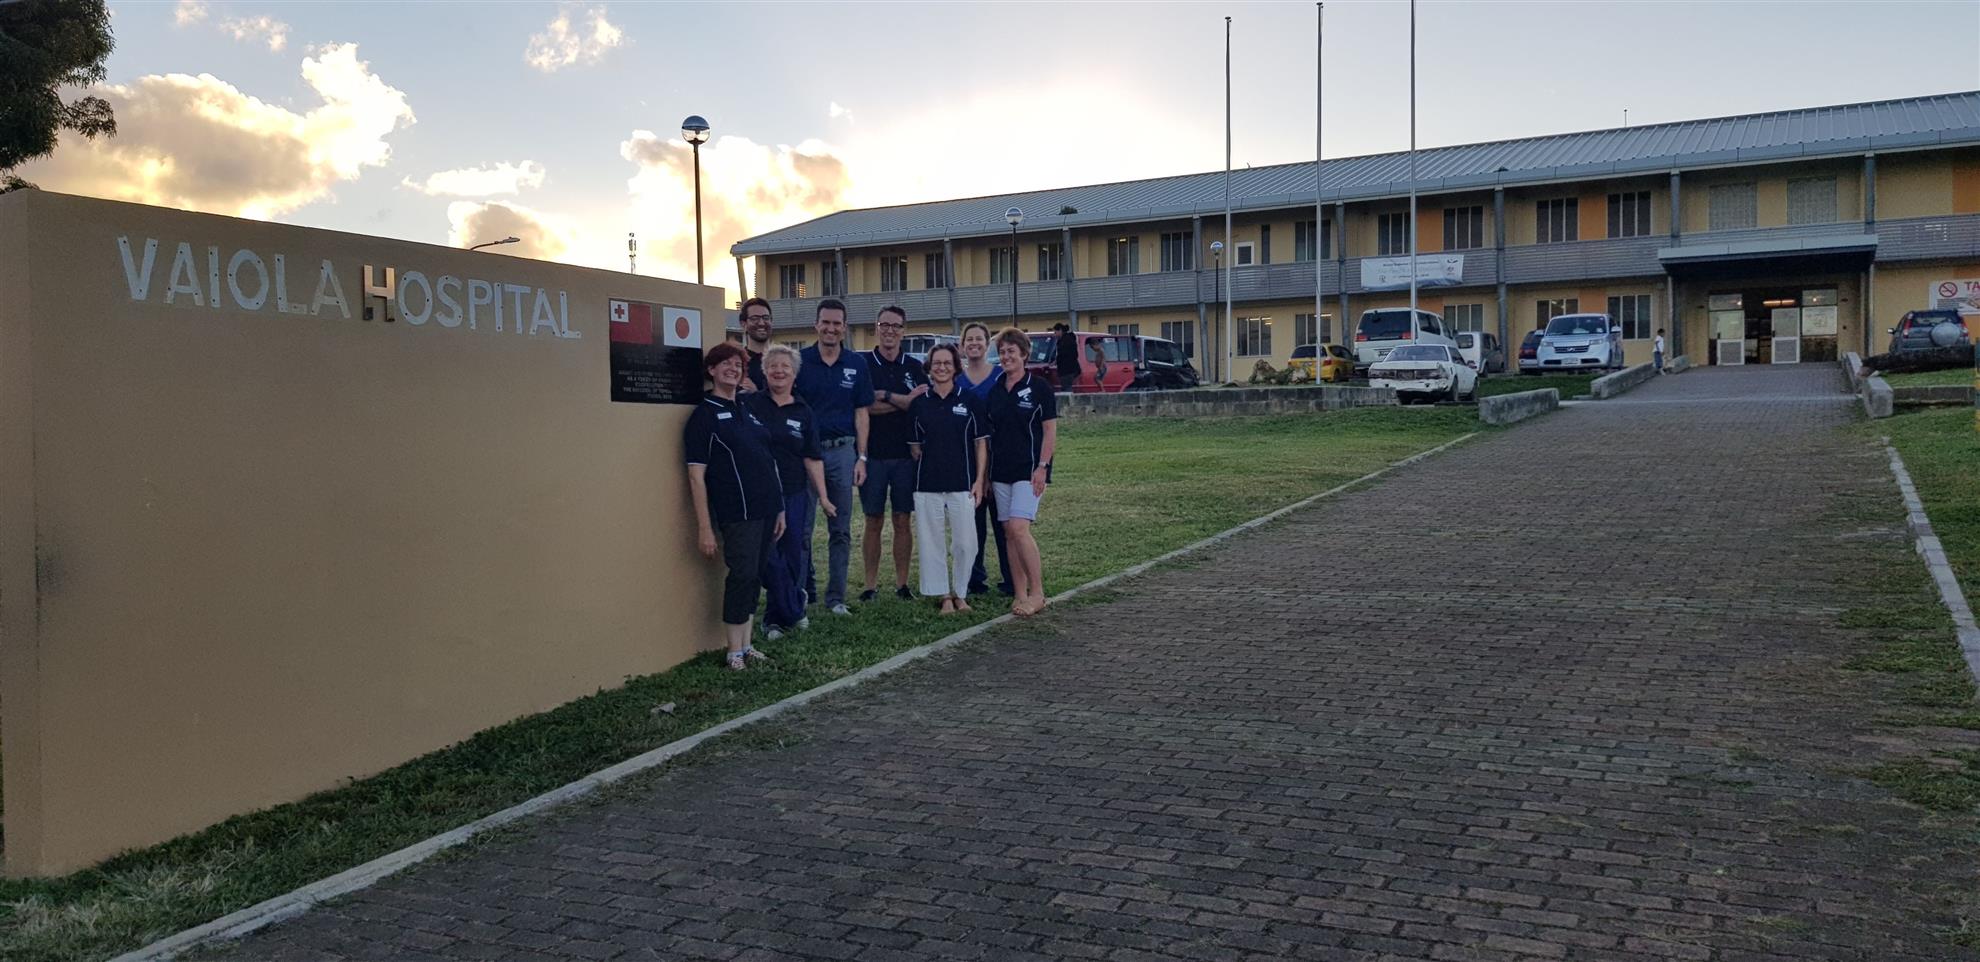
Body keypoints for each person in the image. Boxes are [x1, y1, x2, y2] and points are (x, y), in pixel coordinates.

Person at [684, 343, 785, 670]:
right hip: (737, 512)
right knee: (741, 575)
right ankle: (733, 651)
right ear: (711, 370)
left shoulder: (747, 407)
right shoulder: (704, 415)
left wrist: (780, 508)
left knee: (755, 575)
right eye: (725, 364)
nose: (733, 369)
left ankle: (747, 644)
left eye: (738, 364)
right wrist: (704, 528)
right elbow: (696, 476)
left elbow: (768, 460)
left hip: (767, 508)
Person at [747, 345, 836, 639]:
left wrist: (824, 497)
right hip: (759, 492)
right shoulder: (750, 404)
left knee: (793, 554)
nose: (779, 371)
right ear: (764, 371)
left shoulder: (803, 411)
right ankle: (795, 607)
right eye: (773, 365)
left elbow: (812, 457)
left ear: (795, 373)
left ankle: (774, 620)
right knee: (768, 556)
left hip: (794, 492)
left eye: (785, 366)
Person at [794, 299, 871, 616]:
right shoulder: (800, 362)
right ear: (816, 325)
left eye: (837, 323)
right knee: (802, 530)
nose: (831, 328)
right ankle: (799, 596)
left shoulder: (856, 364)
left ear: (844, 327)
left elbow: (862, 413)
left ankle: (836, 598)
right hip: (806, 455)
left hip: (842, 452)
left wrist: (861, 457)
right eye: (825, 322)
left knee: (840, 530)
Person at [908, 345, 989, 614]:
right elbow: (915, 447)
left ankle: (961, 593)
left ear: (956, 367)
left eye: (947, 363)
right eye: (936, 363)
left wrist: (979, 480)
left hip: (963, 482)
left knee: (966, 543)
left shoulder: (970, 400)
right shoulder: (919, 403)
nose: (941, 367)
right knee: (932, 542)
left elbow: (980, 443)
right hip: (927, 484)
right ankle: (943, 595)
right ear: (929, 368)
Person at [986, 327, 1058, 617]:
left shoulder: (1039, 387)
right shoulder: (995, 390)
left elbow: (1049, 431)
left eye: (1011, 352)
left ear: (1024, 354)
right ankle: (1019, 593)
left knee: (1019, 528)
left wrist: (1043, 467)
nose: (1006, 357)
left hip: (1029, 471)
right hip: (1000, 471)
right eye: (1002, 352)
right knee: (1008, 533)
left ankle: (1037, 593)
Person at [858, 305, 926, 602]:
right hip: (872, 455)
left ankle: (902, 584)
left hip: (905, 457)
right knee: (873, 520)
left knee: (902, 519)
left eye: (896, 326)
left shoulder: (914, 366)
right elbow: (863, 406)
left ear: (903, 330)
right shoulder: (863, 364)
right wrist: (903, 401)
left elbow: (918, 405)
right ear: (876, 328)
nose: (890, 330)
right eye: (884, 325)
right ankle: (870, 586)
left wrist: (885, 395)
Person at [955, 322, 1013, 597]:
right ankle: (974, 579)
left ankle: (1011, 579)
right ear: (962, 345)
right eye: (969, 339)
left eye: (979, 339)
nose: (974, 343)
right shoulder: (957, 380)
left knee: (1004, 524)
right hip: (968, 462)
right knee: (972, 525)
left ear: (988, 343)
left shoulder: (1002, 376)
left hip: (1000, 459)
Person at [739, 297, 774, 392]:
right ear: (743, 324)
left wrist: (756, 393)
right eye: (755, 318)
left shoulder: (784, 361)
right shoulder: (738, 363)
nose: (761, 323)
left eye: (766, 318)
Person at [1054, 322, 1081, 392]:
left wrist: (1057, 361)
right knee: (1066, 387)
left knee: (1066, 387)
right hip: (1071, 369)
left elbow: (1063, 354)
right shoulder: (1068, 339)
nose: (1055, 334)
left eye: (1055, 332)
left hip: (1067, 369)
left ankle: (1068, 398)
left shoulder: (1065, 341)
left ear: (1060, 330)